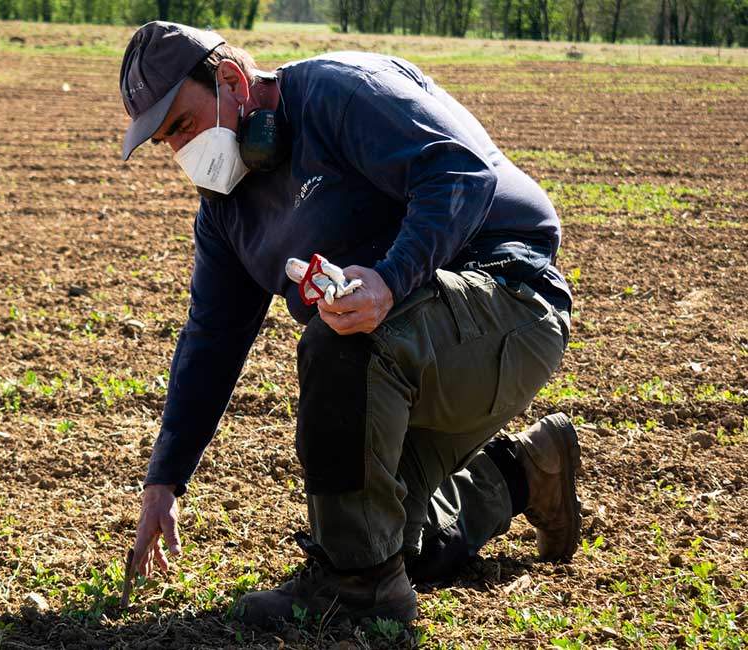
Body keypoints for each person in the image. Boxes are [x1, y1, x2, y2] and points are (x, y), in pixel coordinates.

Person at [118, 21, 581, 627]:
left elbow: (461, 174)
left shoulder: (340, 93)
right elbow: (211, 338)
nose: (183, 153)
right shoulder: (227, 213)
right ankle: (526, 470)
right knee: (388, 544)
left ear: (231, 81)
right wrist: (165, 481)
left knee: (340, 341)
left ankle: (356, 591)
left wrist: (390, 280)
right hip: (413, 348)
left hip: (508, 304)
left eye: (182, 125)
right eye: (167, 144)